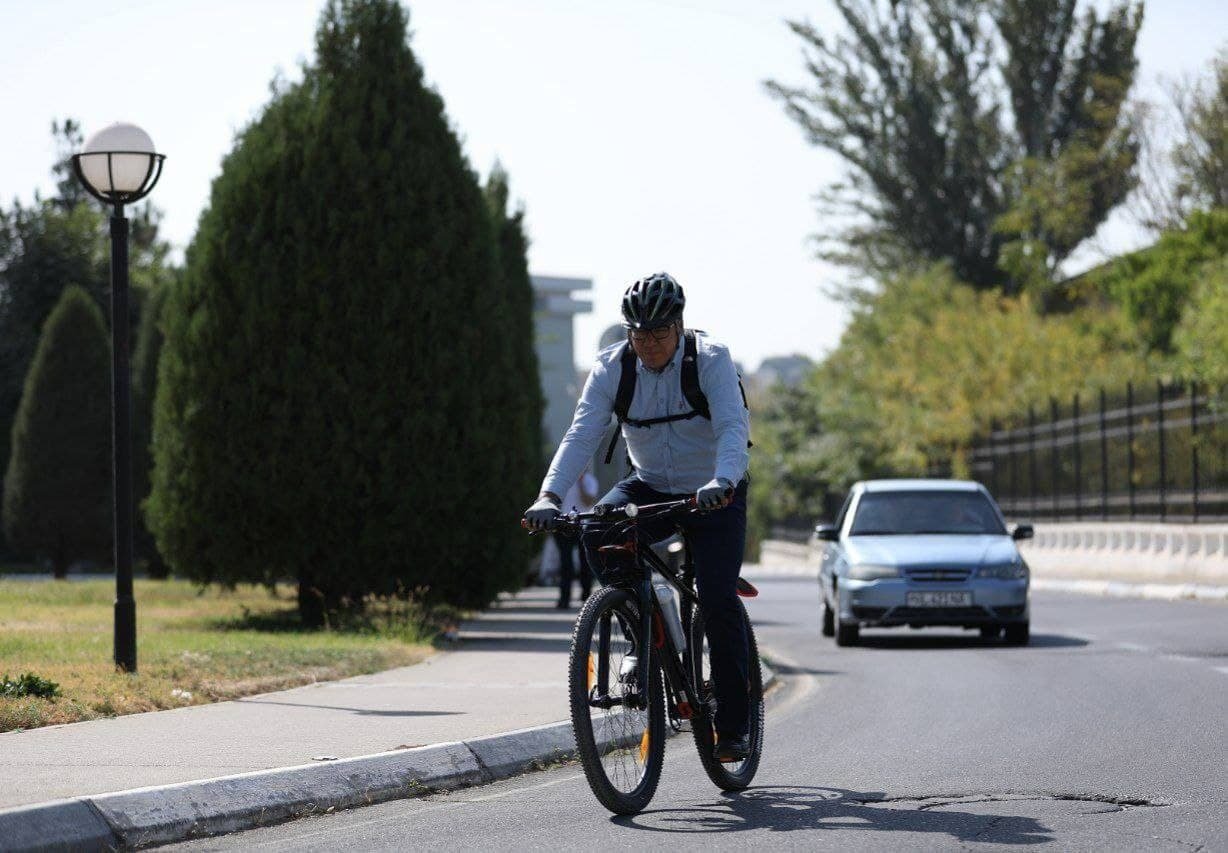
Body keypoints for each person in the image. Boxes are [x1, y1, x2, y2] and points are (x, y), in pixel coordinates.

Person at [523, 272, 752, 763]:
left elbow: (733, 429)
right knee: (599, 526)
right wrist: (550, 495)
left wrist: (723, 481)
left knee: (716, 600)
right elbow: (581, 434)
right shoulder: (613, 368)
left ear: (680, 327)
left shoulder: (710, 360)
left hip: (714, 488)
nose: (648, 344)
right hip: (649, 483)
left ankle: (734, 727)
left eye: (659, 334)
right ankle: (637, 626)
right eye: (639, 334)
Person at [555, 464, 598, 608]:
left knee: (585, 562)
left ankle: (586, 597)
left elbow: (588, 501)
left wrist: (580, 483)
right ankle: (564, 599)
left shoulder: (590, 481)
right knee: (566, 564)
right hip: (564, 526)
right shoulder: (563, 481)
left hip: (583, 525)